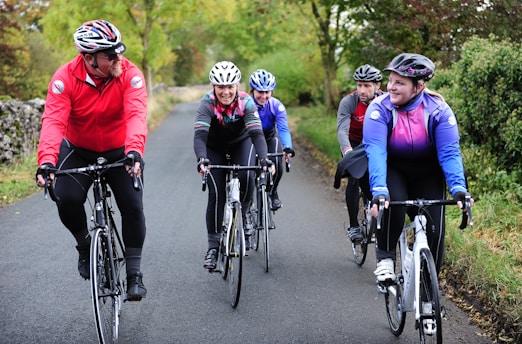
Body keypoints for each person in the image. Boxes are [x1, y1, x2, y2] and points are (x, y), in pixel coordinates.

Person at [35, 19, 148, 301]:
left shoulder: (129, 74)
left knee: (132, 205)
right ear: (89, 58)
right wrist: (47, 160)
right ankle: (85, 245)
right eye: (110, 55)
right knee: (67, 197)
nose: (117, 59)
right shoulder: (64, 78)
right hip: (79, 149)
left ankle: (134, 273)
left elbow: (136, 114)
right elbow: (53, 121)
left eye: (118, 52)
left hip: (120, 149)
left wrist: (134, 151)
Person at [363, 53, 473, 284]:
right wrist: (379, 189)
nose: (390, 87)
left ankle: (427, 295)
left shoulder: (438, 111)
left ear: (418, 86)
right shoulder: (379, 109)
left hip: (427, 171)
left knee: (435, 230)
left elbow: (449, 152)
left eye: (399, 83)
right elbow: (375, 150)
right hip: (394, 169)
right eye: (390, 80)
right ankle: (385, 258)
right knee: (392, 204)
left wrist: (459, 188)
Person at [194, 61, 270, 269]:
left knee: (247, 176)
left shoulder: (247, 102)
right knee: (216, 193)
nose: (226, 92)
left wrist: (264, 159)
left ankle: (244, 213)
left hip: (240, 143)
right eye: (221, 87)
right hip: (214, 147)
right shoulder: (207, 103)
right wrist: (202, 159)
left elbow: (256, 133)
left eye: (230, 86)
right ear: (213, 87)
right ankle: (213, 247)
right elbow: (200, 136)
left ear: (237, 86)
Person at [336, 64, 382, 242]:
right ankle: (354, 226)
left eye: (367, 86)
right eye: (359, 85)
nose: (362, 90)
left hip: (376, 142)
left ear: (377, 86)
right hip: (354, 143)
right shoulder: (349, 102)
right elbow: (342, 131)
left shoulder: (385, 100)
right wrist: (348, 152)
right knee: (354, 179)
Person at [249, 69, 295, 210]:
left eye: (267, 92)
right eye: (260, 92)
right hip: (249, 139)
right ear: (253, 91)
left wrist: (287, 147)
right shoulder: (246, 104)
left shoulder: (276, 106)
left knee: (277, 162)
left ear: (272, 92)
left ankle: (273, 192)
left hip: (268, 138)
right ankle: (247, 199)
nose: (263, 96)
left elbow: (283, 129)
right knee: (247, 168)